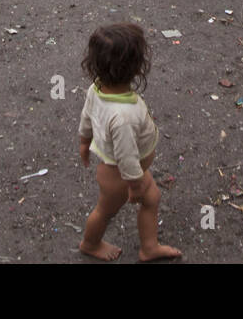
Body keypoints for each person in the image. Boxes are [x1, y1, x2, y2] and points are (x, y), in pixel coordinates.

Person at [77, 24, 181, 262]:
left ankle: (149, 247)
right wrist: (134, 185)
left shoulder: (97, 88)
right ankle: (90, 244)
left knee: (152, 198)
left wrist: (84, 141)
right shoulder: (124, 116)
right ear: (136, 68)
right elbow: (127, 157)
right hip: (121, 176)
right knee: (104, 211)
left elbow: (86, 116)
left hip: (129, 172)